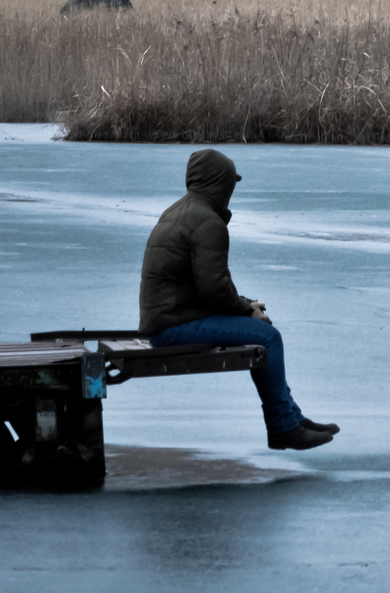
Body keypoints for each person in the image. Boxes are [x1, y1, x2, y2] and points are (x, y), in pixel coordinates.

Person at [139, 148, 338, 451]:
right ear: (220, 184)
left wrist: (246, 305)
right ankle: (284, 426)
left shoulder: (179, 211)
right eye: (230, 184)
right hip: (174, 327)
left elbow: (204, 285)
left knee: (262, 331)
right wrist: (246, 310)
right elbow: (213, 289)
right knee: (268, 337)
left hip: (168, 319)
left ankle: (290, 417)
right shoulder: (208, 223)